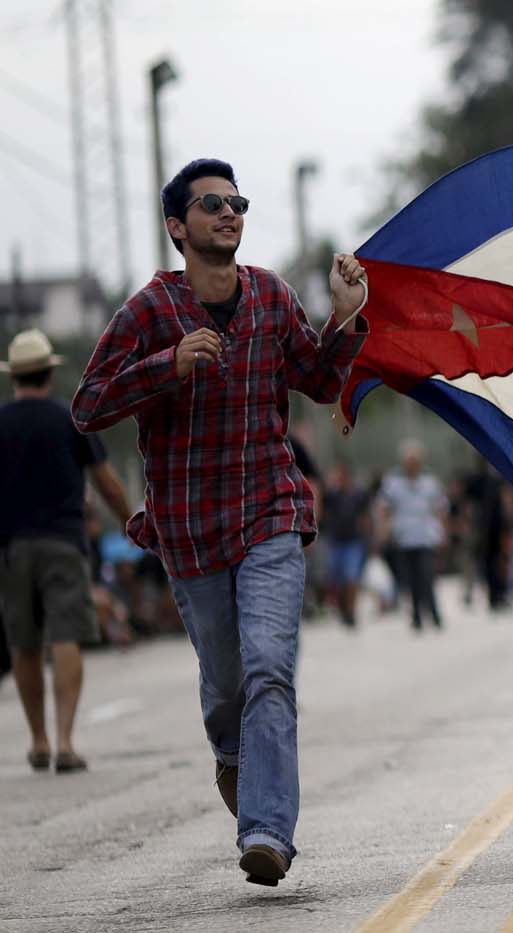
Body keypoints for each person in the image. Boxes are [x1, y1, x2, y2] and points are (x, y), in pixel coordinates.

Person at [71, 158, 369, 886]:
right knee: (229, 680)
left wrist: (346, 316)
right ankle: (234, 756)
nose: (230, 213)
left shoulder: (269, 294)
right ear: (178, 226)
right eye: (212, 204)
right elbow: (87, 407)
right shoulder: (148, 311)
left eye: (237, 201)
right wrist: (165, 366)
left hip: (269, 509)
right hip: (188, 528)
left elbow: (320, 378)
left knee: (271, 666)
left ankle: (267, 832)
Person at [0, 329, 131, 773]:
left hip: (12, 548)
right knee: (65, 637)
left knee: (24, 643)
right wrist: (131, 520)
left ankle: (37, 740)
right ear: (49, 374)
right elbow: (106, 480)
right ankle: (65, 741)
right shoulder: (69, 419)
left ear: (14, 377)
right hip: (64, 543)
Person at [376, 439, 448, 630]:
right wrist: (384, 529)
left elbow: (440, 508)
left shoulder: (430, 482)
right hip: (404, 537)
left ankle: (434, 613)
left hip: (426, 536)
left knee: (426, 575)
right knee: (411, 579)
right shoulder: (393, 483)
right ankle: (416, 616)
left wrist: (442, 531)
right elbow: (383, 507)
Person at [320, 461, 373, 628]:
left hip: (353, 541)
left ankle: (351, 611)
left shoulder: (358, 494)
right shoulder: (332, 495)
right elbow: (323, 514)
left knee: (351, 577)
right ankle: (342, 609)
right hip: (336, 541)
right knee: (337, 578)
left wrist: (368, 537)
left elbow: (365, 517)